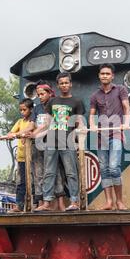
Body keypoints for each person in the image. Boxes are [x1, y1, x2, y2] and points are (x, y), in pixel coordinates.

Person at [34, 72, 85, 211]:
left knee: (71, 173)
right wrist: (34, 134)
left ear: (70, 84)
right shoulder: (52, 102)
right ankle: (47, 202)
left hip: (67, 142)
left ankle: (74, 202)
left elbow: (79, 122)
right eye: (61, 83)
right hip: (51, 142)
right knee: (49, 173)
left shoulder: (77, 102)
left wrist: (81, 135)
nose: (64, 85)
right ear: (58, 85)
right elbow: (48, 123)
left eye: (66, 82)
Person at [89, 63, 130, 210]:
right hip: (102, 136)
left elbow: (126, 108)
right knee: (104, 169)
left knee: (114, 167)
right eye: (102, 74)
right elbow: (92, 114)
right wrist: (92, 126)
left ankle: (119, 201)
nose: (105, 76)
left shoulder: (121, 89)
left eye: (107, 73)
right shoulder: (95, 95)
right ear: (99, 76)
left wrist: (126, 123)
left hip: (116, 133)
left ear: (112, 76)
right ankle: (109, 202)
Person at [25, 81, 67, 211]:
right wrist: (25, 132)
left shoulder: (56, 104)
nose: (40, 96)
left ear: (49, 93)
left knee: (56, 172)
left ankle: (60, 203)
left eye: (42, 94)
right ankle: (43, 202)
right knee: (38, 173)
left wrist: (36, 134)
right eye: (38, 94)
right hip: (37, 145)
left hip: (52, 142)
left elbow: (52, 124)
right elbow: (32, 124)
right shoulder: (37, 108)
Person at [0, 98, 34, 212]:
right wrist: (5, 136)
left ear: (31, 109)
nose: (22, 112)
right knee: (20, 183)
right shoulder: (20, 122)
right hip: (21, 157)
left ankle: (34, 205)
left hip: (33, 158)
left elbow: (27, 132)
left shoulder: (33, 121)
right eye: (21, 110)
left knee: (33, 182)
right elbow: (11, 133)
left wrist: (17, 134)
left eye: (24, 110)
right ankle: (19, 205)